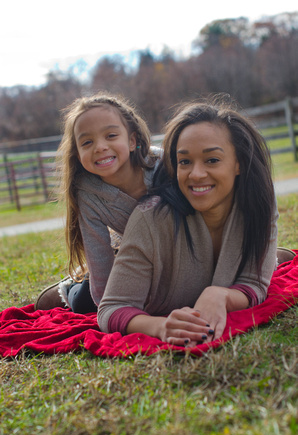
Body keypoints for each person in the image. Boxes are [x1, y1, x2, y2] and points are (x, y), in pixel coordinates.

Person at [97, 97, 284, 346]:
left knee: (272, 262)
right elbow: (112, 308)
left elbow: (255, 284)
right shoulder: (149, 219)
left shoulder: (259, 204)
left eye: (212, 160)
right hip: (130, 271)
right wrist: (160, 326)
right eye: (184, 161)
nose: (196, 174)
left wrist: (221, 295)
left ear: (238, 162)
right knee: (78, 300)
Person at [35, 92, 161, 313]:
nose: (100, 147)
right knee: (87, 303)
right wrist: (111, 308)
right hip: (131, 253)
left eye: (111, 135)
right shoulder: (88, 194)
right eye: (87, 142)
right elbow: (99, 254)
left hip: (172, 252)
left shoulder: (162, 166)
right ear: (77, 153)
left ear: (132, 140)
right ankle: (73, 286)